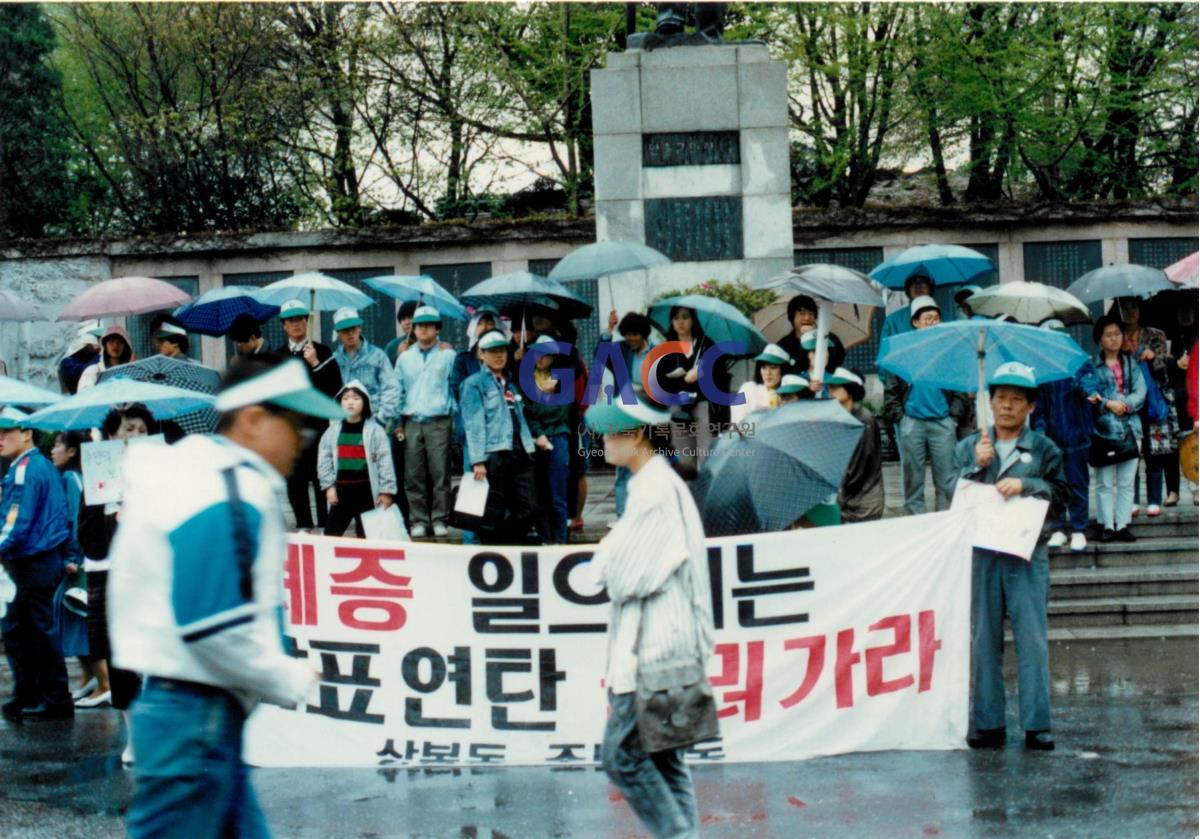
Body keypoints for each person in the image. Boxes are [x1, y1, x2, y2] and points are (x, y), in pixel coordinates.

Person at [109, 355, 338, 838]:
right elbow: (210, 626)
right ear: (254, 419)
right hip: (195, 721)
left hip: (198, 718)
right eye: (295, 424)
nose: (302, 441)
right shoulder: (226, 488)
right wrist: (287, 675)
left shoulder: (204, 473)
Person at [586, 394, 714, 839]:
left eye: (610, 430)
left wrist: (606, 561)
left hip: (656, 648)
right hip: (669, 642)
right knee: (664, 758)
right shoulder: (649, 485)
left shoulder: (654, 491)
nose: (602, 438)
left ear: (637, 434)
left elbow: (623, 576)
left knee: (622, 756)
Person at [956, 362, 1068, 752]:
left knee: (1031, 638)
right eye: (1000, 398)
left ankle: (1037, 724)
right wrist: (976, 465)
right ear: (989, 403)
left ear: (1030, 407)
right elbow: (953, 497)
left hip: (1026, 552)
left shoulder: (1045, 449)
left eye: (1016, 400)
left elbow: (1063, 497)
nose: (1006, 406)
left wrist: (1028, 484)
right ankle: (988, 723)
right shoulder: (969, 446)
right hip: (983, 553)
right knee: (983, 637)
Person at [0, 407, 73, 721]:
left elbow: (18, 521)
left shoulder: (25, 468)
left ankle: (51, 698)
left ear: (27, 433)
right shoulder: (38, 465)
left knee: (33, 630)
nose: (0, 439)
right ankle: (33, 694)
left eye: (6, 432)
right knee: (25, 629)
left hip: (31, 558)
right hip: (39, 557)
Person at [882, 296, 970, 514]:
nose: (933, 322)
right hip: (912, 422)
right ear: (915, 322)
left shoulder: (948, 352)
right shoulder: (904, 352)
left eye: (936, 318)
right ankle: (917, 522)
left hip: (943, 422)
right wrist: (900, 418)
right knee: (913, 479)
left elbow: (960, 388)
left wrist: (954, 417)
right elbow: (891, 388)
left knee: (947, 479)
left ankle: (944, 521)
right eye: (927, 318)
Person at [460, 329, 538, 545]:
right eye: (492, 351)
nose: (499, 355)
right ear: (481, 354)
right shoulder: (473, 383)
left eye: (502, 350)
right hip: (494, 453)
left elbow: (521, 417)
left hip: (520, 451)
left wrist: (531, 445)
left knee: (528, 508)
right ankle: (494, 550)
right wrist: (478, 460)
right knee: (492, 509)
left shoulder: (511, 383)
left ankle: (507, 543)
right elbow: (473, 423)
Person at [275, 299, 343, 530]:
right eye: (290, 321)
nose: (296, 324)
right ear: (284, 325)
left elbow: (335, 387)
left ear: (307, 321)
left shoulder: (321, 351)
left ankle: (327, 524)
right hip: (291, 428)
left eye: (300, 319)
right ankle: (303, 523)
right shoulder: (279, 355)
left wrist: (315, 363)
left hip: (318, 425)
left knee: (321, 475)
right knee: (295, 478)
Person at [1034, 319, 1101, 552]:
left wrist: (1091, 393)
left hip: (1077, 436)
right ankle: (1058, 528)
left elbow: (1090, 383)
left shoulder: (1079, 361)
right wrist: (1039, 432)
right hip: (1051, 439)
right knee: (1054, 485)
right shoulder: (1041, 369)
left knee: (1077, 483)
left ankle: (1079, 528)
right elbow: (1038, 406)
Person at [1114, 298, 1181, 516]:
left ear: (1140, 310)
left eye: (1133, 307)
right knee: (1130, 452)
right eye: (1125, 308)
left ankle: (1153, 499)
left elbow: (1165, 369)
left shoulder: (1154, 334)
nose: (1130, 312)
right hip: (1127, 403)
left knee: (1154, 452)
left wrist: (1153, 358)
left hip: (1152, 401)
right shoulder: (1115, 335)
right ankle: (1131, 500)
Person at [394, 305, 456, 538]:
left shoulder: (448, 355)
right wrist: (398, 421)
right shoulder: (405, 358)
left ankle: (440, 518)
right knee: (413, 474)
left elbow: (454, 386)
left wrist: (453, 416)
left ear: (437, 329)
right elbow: (398, 390)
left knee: (441, 474)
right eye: (420, 325)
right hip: (412, 421)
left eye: (429, 325)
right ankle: (418, 519)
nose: (423, 329)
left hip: (439, 420)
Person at [653, 305, 730, 479]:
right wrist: (682, 380)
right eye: (676, 318)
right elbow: (660, 383)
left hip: (702, 405)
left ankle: (705, 497)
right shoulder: (665, 348)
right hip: (677, 407)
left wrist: (702, 375)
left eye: (685, 317)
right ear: (671, 322)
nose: (680, 322)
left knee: (707, 455)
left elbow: (720, 378)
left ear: (693, 320)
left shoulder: (706, 345)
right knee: (683, 458)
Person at [1090, 316, 1146, 543]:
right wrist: (1107, 403)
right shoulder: (1092, 366)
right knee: (1104, 481)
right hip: (1103, 430)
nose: (1114, 338)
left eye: (1117, 333)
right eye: (1108, 334)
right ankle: (1107, 524)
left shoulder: (1131, 363)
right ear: (1100, 339)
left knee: (1126, 480)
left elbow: (1141, 391)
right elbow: (1090, 393)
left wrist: (1126, 404)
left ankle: (1122, 524)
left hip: (1131, 427)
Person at [318, 380, 397, 538]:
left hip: (366, 492)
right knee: (331, 535)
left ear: (365, 402)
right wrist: (329, 486)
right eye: (346, 398)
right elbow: (324, 459)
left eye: (355, 398)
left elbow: (384, 462)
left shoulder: (375, 431)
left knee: (366, 536)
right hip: (341, 492)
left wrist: (386, 491)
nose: (350, 402)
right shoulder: (332, 431)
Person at [49, 431, 94, 701]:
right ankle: (89, 678)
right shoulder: (81, 477)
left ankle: (98, 679)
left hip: (76, 560)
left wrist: (71, 558)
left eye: (57, 445)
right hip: (84, 557)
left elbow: (73, 521)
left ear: (73, 451)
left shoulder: (69, 478)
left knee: (73, 615)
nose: (53, 451)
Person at [601, 311, 658, 518]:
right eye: (627, 335)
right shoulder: (620, 351)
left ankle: (649, 515)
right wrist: (609, 329)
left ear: (643, 334)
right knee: (624, 469)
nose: (630, 339)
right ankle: (623, 517)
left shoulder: (657, 353)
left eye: (635, 334)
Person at [523, 334, 573, 544]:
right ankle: (545, 538)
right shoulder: (528, 379)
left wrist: (542, 400)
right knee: (538, 495)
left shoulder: (563, 379)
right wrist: (538, 430)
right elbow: (527, 413)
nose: (540, 359)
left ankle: (560, 540)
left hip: (558, 437)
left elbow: (559, 412)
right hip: (536, 440)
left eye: (545, 355)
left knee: (557, 495)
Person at [827, 368, 884, 523]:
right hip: (847, 501)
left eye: (836, 387)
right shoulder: (838, 418)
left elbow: (858, 467)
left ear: (850, 390)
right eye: (830, 387)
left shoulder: (864, 420)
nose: (831, 391)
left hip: (864, 504)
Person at [331, 307, 399, 430]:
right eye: (345, 330)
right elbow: (332, 394)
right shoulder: (334, 359)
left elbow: (391, 388)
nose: (350, 333)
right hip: (344, 424)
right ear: (338, 332)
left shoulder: (378, 356)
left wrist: (381, 419)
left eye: (353, 328)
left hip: (374, 421)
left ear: (360, 328)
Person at [776, 295, 845, 385]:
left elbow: (839, 359)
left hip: (825, 387)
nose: (807, 318)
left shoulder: (827, 337)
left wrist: (814, 335)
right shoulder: (783, 345)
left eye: (811, 313)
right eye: (802, 313)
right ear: (792, 317)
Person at [730, 343, 791, 425]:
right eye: (764, 368)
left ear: (783, 370)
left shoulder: (789, 395)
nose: (767, 373)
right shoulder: (749, 389)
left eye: (773, 368)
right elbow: (738, 422)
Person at [77, 324, 135, 390]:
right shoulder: (94, 371)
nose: (115, 345)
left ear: (126, 346)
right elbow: (85, 395)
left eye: (120, 342)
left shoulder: (131, 372)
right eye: (111, 341)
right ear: (105, 345)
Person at [58, 320, 104, 394]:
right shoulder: (67, 362)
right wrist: (99, 356)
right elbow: (83, 372)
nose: (98, 344)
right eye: (97, 338)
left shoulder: (95, 357)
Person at [383, 300, 418, 366]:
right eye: (403, 319)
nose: (407, 322)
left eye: (411, 317)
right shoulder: (392, 346)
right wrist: (398, 356)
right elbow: (383, 371)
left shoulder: (436, 346)